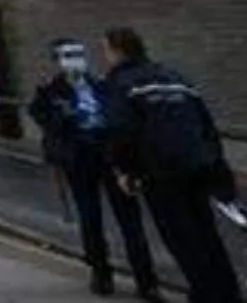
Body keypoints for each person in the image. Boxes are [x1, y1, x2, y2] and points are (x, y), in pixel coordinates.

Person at [102, 28, 244, 303]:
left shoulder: (121, 83)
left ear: (116, 51)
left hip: (160, 172)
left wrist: (125, 171)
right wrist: (217, 168)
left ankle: (207, 295)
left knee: (183, 241)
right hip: (198, 166)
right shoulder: (175, 78)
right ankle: (228, 294)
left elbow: (121, 131)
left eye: (105, 50)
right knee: (207, 236)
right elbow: (205, 125)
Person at [29, 38, 160, 300]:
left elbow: (119, 115)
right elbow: (44, 120)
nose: (74, 59)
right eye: (67, 55)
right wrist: (63, 120)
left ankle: (146, 281)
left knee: (130, 220)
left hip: (111, 158)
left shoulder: (104, 84)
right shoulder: (49, 91)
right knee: (90, 218)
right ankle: (101, 272)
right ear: (57, 61)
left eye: (78, 53)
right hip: (79, 160)